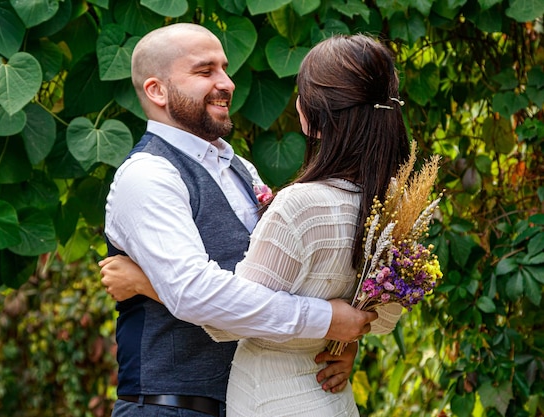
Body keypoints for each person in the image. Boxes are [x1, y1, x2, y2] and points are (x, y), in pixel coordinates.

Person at [103, 32, 410, 416]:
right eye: (205, 71)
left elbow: (287, 276)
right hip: (174, 406)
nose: (227, 84)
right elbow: (194, 292)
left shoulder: (241, 170)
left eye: (225, 70)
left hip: (254, 399)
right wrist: (327, 321)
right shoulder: (148, 175)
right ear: (157, 91)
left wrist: (340, 340)